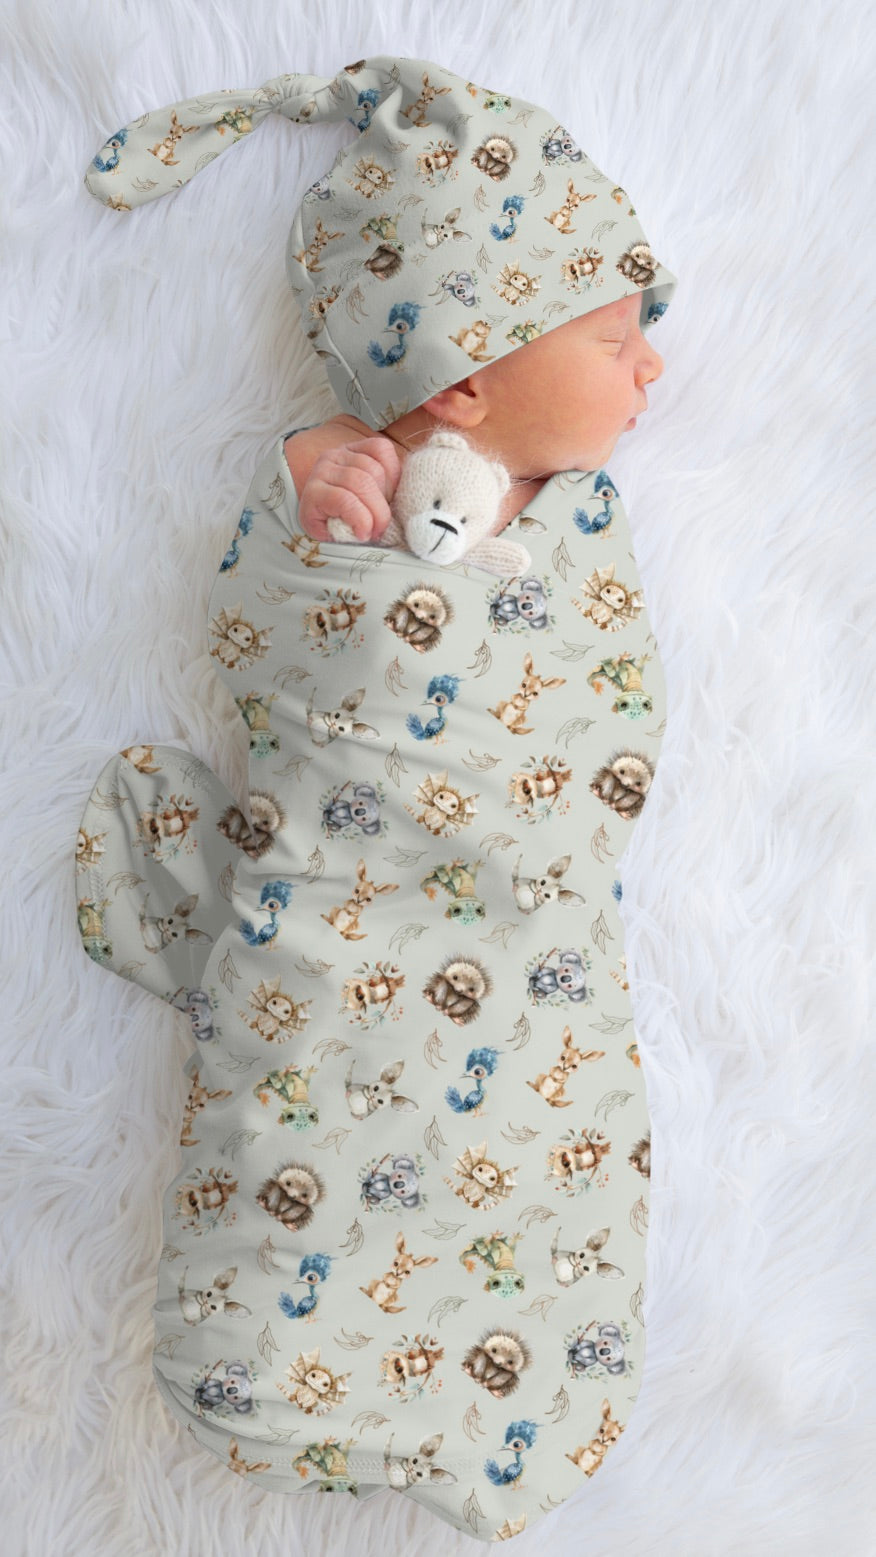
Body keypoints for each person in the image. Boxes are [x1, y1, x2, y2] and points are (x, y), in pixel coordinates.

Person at [75, 53, 678, 1539]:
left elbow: (605, 736)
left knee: (528, 1161)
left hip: (531, 956)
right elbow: (266, 667)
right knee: (315, 1117)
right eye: (616, 336)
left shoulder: (579, 529)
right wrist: (319, 546)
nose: (652, 369)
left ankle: (504, 1406)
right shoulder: (334, 494)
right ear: (467, 367)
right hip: (351, 939)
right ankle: (276, 1356)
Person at [286, 290, 664, 542]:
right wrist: (332, 503)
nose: (655, 364)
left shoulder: (575, 501)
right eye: (615, 340)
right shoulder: (344, 458)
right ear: (459, 384)